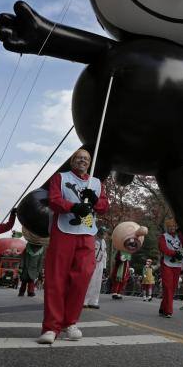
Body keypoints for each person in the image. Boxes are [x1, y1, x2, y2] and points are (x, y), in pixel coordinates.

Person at [37, 148, 109, 345]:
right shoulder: (60, 178)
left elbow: (104, 207)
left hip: (87, 233)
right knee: (56, 278)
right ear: (72, 161)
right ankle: (51, 327)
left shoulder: (96, 183)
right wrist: (72, 206)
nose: (83, 161)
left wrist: (94, 200)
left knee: (82, 278)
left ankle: (70, 322)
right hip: (63, 231)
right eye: (79, 158)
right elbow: (53, 200)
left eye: (86, 159)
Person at [158, 218, 183, 318]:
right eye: (170, 226)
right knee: (167, 287)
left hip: (177, 265)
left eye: (174, 226)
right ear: (167, 227)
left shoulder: (180, 237)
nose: (172, 228)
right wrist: (174, 253)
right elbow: (163, 248)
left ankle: (163, 307)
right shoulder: (163, 237)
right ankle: (168, 311)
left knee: (172, 288)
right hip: (167, 264)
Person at [84, 227, 108, 308]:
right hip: (92, 262)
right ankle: (85, 301)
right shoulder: (93, 240)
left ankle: (94, 301)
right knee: (91, 282)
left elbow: (104, 254)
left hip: (100, 263)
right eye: (104, 233)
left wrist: (104, 267)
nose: (105, 234)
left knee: (98, 283)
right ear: (100, 233)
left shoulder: (104, 242)